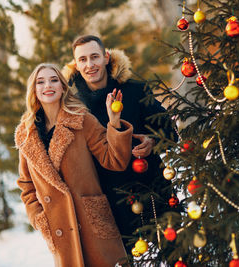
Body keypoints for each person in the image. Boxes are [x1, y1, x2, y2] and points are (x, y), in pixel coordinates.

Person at [62, 35, 177, 251]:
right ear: (76, 65)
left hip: (152, 186)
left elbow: (170, 130)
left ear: (106, 57)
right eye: (83, 59)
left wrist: (153, 141)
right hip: (110, 200)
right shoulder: (73, 106)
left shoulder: (135, 90)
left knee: (176, 252)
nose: (90, 65)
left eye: (94, 57)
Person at [14, 63, 133, 267]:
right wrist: (39, 218)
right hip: (59, 228)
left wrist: (114, 123)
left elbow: (115, 160)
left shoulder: (82, 120)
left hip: (93, 223)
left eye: (53, 80)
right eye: (40, 82)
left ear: (62, 87)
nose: (47, 86)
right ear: (34, 90)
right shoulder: (26, 134)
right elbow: (26, 186)